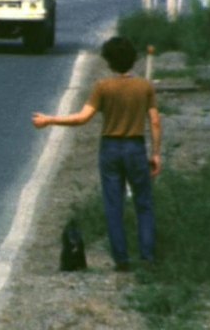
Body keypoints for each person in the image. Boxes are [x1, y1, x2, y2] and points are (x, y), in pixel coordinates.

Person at [32, 36, 162, 271]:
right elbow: (154, 121)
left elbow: (82, 118)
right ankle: (148, 256)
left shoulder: (104, 87)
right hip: (135, 145)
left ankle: (121, 259)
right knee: (144, 203)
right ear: (133, 59)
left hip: (110, 148)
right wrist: (156, 153)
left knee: (114, 205)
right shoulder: (145, 87)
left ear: (110, 62)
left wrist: (49, 119)